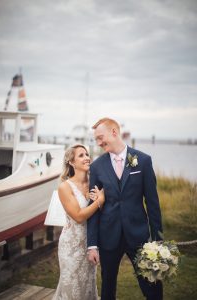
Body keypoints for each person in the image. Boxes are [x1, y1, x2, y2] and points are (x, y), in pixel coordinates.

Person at [87, 118, 163, 300]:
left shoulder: (143, 161)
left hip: (139, 235)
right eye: (96, 139)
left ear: (114, 132)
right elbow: (94, 207)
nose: (98, 143)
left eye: (100, 137)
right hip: (109, 236)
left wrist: (158, 240)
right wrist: (92, 245)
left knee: (151, 284)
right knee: (107, 287)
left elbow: (152, 204)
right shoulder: (97, 167)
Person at [53, 144, 104, 300]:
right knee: (71, 287)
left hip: (90, 243)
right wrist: (99, 201)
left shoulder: (94, 184)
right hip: (71, 246)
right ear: (71, 162)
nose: (87, 158)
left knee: (88, 286)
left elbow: (100, 215)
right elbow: (79, 216)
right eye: (81, 155)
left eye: (87, 154)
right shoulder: (65, 187)